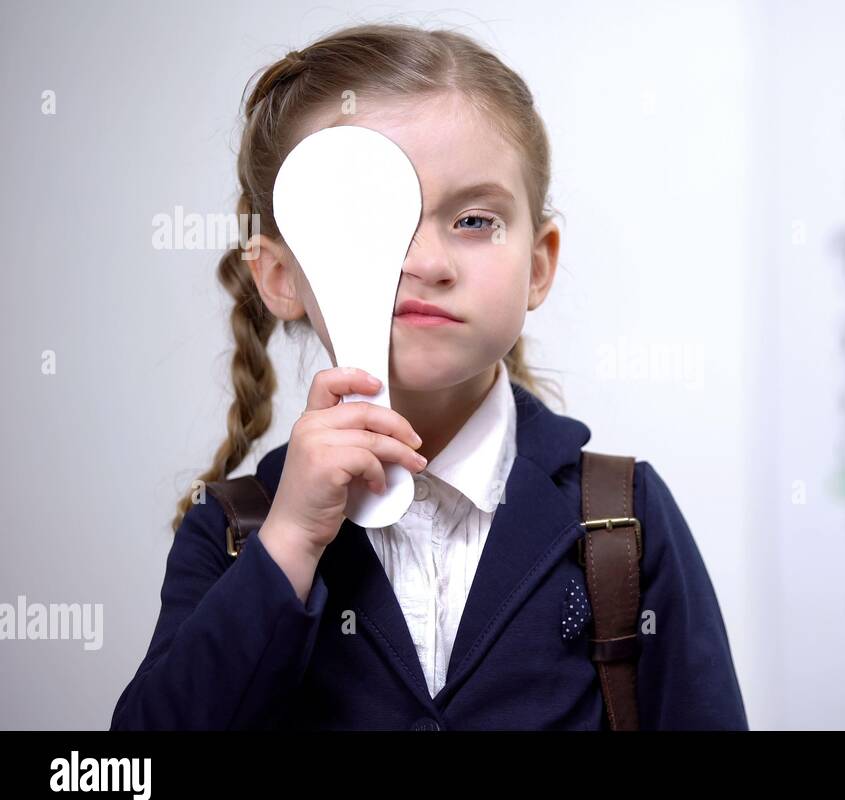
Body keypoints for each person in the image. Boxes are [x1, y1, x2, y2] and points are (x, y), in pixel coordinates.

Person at [110, 23, 747, 731]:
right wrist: (289, 543)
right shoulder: (236, 533)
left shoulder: (622, 520)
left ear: (539, 263)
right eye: (368, 224)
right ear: (281, 277)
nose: (428, 261)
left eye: (474, 220)